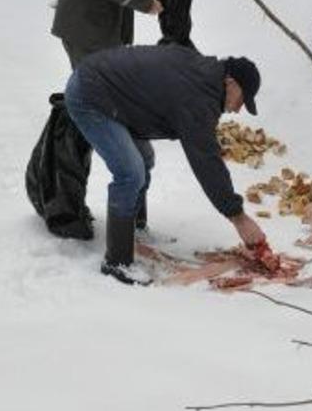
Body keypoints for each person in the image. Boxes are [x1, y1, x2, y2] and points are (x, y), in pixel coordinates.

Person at [64, 43, 268, 285]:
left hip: (113, 94)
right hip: (91, 95)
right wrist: (238, 217)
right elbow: (206, 161)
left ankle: (135, 230)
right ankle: (117, 262)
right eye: (242, 100)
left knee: (145, 159)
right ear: (231, 83)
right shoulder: (198, 94)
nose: (237, 109)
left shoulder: (203, 76)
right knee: (131, 173)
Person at [44, 0, 175, 237]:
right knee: (91, 91)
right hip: (84, 32)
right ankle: (99, 135)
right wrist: (150, 5)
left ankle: (116, 134)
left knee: (108, 92)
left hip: (100, 31)